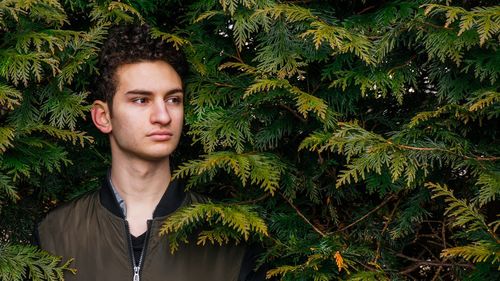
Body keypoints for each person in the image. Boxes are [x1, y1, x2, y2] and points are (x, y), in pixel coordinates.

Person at [36, 24, 264, 281]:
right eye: (141, 100)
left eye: (173, 100)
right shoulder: (54, 233)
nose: (163, 116)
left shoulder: (229, 234)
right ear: (103, 116)